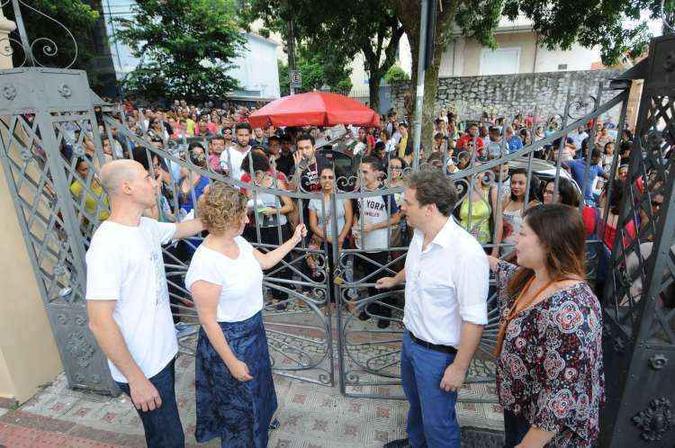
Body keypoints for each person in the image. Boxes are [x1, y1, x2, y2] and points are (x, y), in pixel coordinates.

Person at [86, 160, 205, 448]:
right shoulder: (107, 245)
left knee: (164, 434)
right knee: (169, 439)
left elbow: (181, 229)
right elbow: (99, 322)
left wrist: (221, 214)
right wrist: (136, 379)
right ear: (127, 187)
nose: (155, 183)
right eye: (146, 177)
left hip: (162, 355)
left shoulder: (145, 227)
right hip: (142, 367)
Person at [186, 183, 307, 448]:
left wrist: (293, 240)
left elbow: (265, 262)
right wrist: (231, 362)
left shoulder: (237, 240)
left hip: (253, 333)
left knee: (259, 392)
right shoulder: (206, 264)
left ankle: (260, 429)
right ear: (229, 217)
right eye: (243, 214)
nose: (247, 218)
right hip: (228, 342)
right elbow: (207, 321)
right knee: (238, 410)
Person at [377, 170, 488, 448]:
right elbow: (416, 265)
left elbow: (474, 320)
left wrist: (459, 368)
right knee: (417, 411)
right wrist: (395, 278)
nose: (402, 207)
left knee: (438, 425)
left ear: (429, 209)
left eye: (407, 202)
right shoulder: (419, 234)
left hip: (438, 358)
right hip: (410, 342)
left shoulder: (465, 253)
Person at [487, 204, 604, 448]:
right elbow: (503, 270)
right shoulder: (532, 277)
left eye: (523, 233)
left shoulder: (571, 311)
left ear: (548, 243)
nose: (515, 239)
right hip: (522, 410)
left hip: (547, 433)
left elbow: (562, 393)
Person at [353, 156, 400, 328]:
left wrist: (374, 227)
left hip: (379, 244)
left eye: (365, 172)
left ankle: (384, 311)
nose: (362, 175)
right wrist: (355, 227)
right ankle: (372, 306)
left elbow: (396, 218)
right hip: (362, 243)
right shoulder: (359, 191)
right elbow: (358, 213)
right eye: (360, 171)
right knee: (368, 279)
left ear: (375, 172)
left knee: (381, 279)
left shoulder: (384, 192)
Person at [493, 168, 540, 256]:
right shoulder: (507, 199)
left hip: (520, 253)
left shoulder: (534, 205)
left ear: (530, 185)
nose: (516, 186)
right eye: (513, 182)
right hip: (501, 250)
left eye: (521, 183)